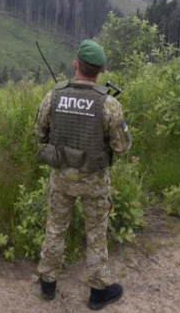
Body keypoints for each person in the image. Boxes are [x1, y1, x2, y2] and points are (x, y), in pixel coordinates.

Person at [34, 40, 132, 311]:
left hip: (61, 177)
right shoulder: (109, 104)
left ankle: (48, 282)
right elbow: (122, 147)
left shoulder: (53, 95)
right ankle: (98, 291)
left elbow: (40, 134)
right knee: (96, 232)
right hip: (94, 181)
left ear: (75, 65)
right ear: (101, 69)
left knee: (55, 227)